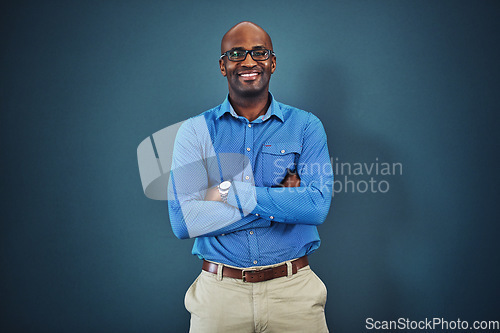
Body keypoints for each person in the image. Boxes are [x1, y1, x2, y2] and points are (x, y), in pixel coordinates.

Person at [167, 21, 333, 333]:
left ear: (273, 62)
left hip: (294, 293)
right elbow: (182, 221)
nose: (247, 62)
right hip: (218, 296)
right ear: (222, 65)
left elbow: (316, 206)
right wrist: (281, 205)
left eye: (259, 53)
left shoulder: (307, 126)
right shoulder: (194, 132)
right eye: (236, 53)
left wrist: (226, 193)